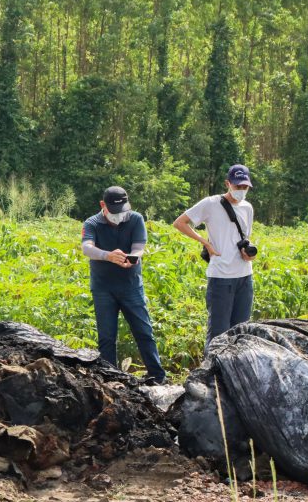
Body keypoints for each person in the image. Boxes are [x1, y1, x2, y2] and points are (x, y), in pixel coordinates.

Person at [81, 187, 166, 384]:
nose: (120, 215)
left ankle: (158, 377)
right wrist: (107, 256)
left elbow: (139, 247)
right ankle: (111, 379)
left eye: (122, 210)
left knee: (144, 332)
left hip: (131, 286)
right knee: (107, 338)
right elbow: (87, 248)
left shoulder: (135, 219)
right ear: (103, 206)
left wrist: (133, 257)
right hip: (103, 288)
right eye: (114, 211)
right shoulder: (92, 223)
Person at [173, 164, 257, 350]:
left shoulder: (248, 208)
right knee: (218, 333)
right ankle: (211, 375)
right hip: (221, 276)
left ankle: (235, 373)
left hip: (244, 275)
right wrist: (205, 242)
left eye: (245, 187)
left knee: (241, 332)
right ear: (228, 183)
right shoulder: (211, 204)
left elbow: (245, 237)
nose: (241, 191)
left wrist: (247, 253)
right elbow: (180, 223)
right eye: (237, 187)